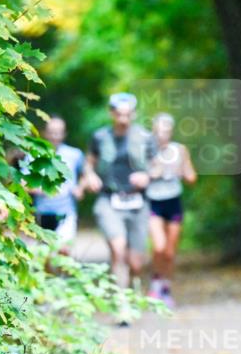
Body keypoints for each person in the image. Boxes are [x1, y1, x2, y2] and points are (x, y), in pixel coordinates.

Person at [81, 93, 157, 317]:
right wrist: (90, 176)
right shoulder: (100, 137)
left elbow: (157, 166)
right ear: (111, 113)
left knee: (136, 262)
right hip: (109, 200)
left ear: (133, 114)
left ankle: (133, 294)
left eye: (127, 114)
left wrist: (147, 176)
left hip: (137, 202)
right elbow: (89, 163)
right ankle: (121, 304)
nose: (123, 118)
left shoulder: (145, 137)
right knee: (117, 249)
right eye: (119, 114)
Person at [146, 112, 197, 308]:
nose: (162, 134)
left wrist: (182, 171)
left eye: (166, 130)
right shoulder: (147, 151)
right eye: (159, 130)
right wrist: (153, 172)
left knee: (169, 251)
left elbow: (191, 177)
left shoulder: (180, 150)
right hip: (154, 202)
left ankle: (165, 288)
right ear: (154, 131)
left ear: (171, 132)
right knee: (158, 247)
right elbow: (139, 176)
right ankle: (155, 284)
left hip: (174, 201)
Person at [28, 116, 84, 253]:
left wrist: (80, 188)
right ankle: (50, 275)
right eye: (52, 132)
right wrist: (39, 190)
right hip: (42, 212)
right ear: (45, 132)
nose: (55, 136)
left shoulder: (75, 154)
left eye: (59, 132)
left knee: (64, 250)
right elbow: (23, 182)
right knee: (46, 254)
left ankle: (63, 275)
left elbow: (85, 174)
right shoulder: (33, 154)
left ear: (65, 134)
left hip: (66, 211)